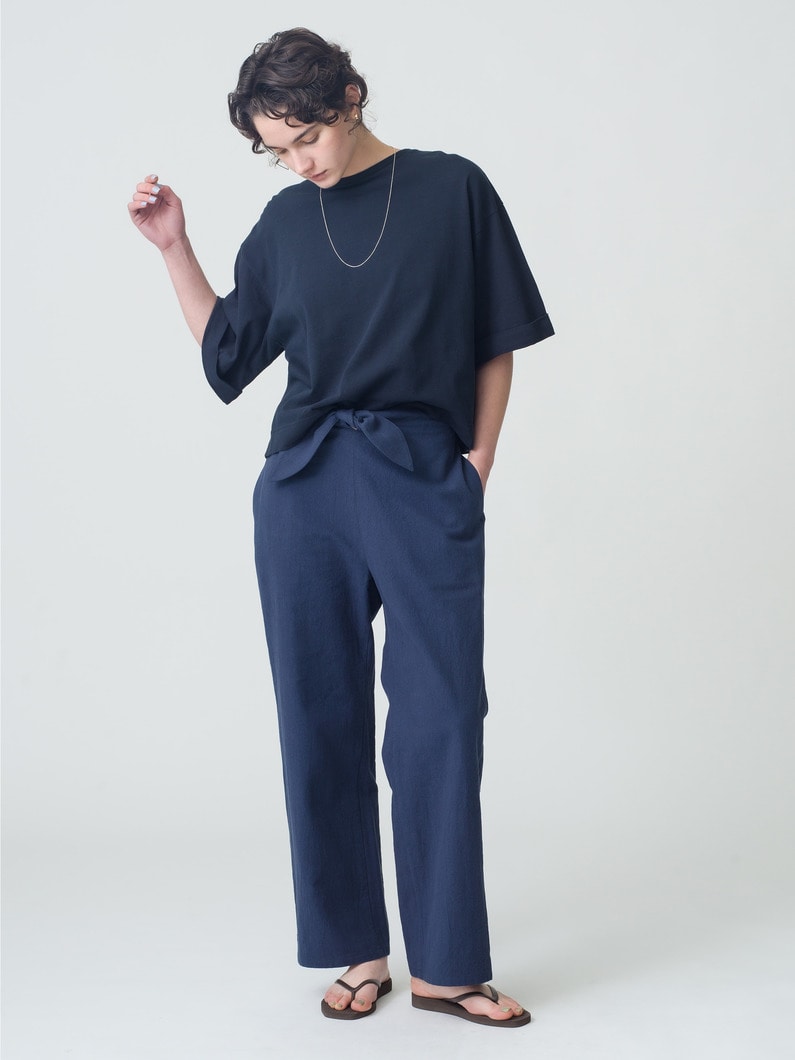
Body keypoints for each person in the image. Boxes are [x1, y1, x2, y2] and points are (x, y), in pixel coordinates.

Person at [128, 27, 553, 1028]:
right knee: (318, 718)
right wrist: (174, 247)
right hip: (304, 489)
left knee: (442, 716)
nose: (299, 163)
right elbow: (228, 357)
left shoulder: (452, 189)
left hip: (420, 474)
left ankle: (448, 965)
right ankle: (359, 950)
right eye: (278, 150)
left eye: (306, 137)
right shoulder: (284, 221)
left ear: (350, 97)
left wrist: (478, 461)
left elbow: (497, 338)